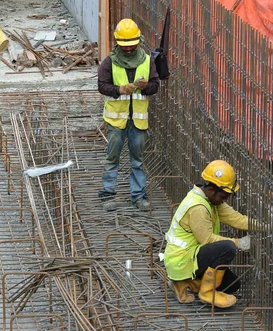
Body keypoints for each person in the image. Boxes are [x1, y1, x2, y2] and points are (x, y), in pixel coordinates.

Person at [163, 160, 258, 308]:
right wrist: (239, 243)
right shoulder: (198, 207)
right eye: (223, 196)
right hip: (182, 260)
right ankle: (205, 292)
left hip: (192, 257)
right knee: (228, 247)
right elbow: (207, 240)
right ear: (212, 190)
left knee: (232, 284)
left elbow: (236, 218)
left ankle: (188, 283)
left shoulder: (212, 200)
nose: (224, 200)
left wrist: (267, 227)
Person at [97, 18, 160, 212]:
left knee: (138, 160)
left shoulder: (147, 61)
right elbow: (102, 86)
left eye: (131, 45)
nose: (128, 49)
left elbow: (155, 85)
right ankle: (108, 194)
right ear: (117, 42)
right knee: (112, 157)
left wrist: (145, 87)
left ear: (138, 40)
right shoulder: (109, 62)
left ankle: (138, 196)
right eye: (124, 45)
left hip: (138, 121)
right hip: (116, 119)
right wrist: (119, 89)